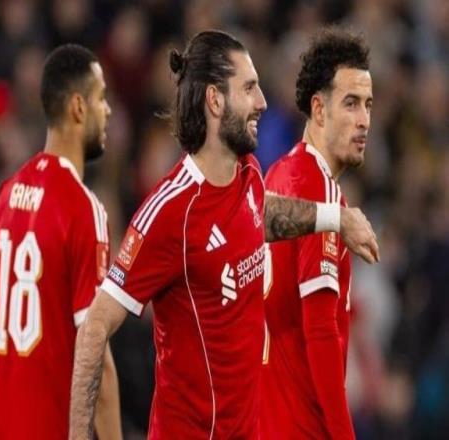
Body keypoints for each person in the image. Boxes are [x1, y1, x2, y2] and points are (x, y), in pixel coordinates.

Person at [69, 30, 378, 439]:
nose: (262, 101)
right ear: (215, 100)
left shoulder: (247, 172)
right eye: (249, 88)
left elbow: (262, 213)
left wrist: (336, 218)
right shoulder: (171, 213)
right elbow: (94, 327)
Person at [0, 44, 122, 440]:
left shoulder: (6, 196)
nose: (107, 110)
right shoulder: (83, 210)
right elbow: (97, 364)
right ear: (78, 107)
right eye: (101, 98)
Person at [261, 27, 374, 439]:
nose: (364, 121)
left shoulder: (279, 174)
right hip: (302, 427)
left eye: (368, 105)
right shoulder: (320, 192)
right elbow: (321, 331)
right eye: (350, 103)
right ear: (319, 109)